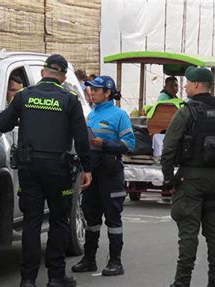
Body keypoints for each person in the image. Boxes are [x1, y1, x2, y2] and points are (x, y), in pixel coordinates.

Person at [0, 54, 92, 287]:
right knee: (59, 222)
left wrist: (21, 112)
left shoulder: (23, 96)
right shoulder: (70, 100)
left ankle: (27, 279)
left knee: (31, 222)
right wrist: (87, 168)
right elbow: (81, 138)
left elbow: (2, 125)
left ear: (42, 73)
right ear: (62, 77)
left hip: (29, 168)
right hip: (59, 170)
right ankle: (56, 277)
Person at [161, 67, 215, 287]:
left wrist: (168, 178)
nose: (185, 86)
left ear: (198, 85)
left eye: (188, 82)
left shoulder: (186, 112)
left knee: (188, 233)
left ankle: (182, 283)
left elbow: (169, 148)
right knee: (213, 231)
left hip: (190, 178)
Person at [71, 75, 135, 276]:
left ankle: (116, 262)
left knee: (113, 218)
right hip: (92, 173)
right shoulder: (91, 114)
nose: (91, 92)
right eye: (91, 89)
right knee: (91, 216)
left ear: (107, 93)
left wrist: (104, 144)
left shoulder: (120, 115)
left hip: (111, 173)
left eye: (96, 90)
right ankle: (89, 259)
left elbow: (129, 145)